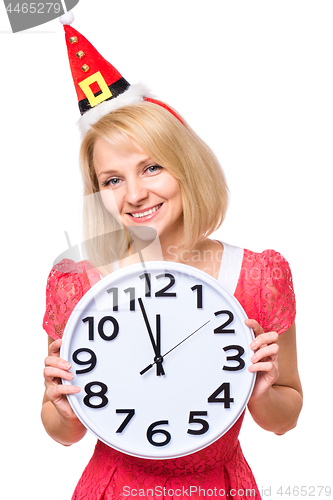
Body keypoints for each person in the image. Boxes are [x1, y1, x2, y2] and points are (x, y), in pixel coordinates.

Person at [42, 17, 303, 500]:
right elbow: (64, 432)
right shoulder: (78, 284)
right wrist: (61, 408)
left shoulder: (258, 276)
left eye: (152, 167)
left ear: (186, 164)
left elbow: (286, 418)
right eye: (113, 179)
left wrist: (263, 396)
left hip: (219, 488)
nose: (136, 193)